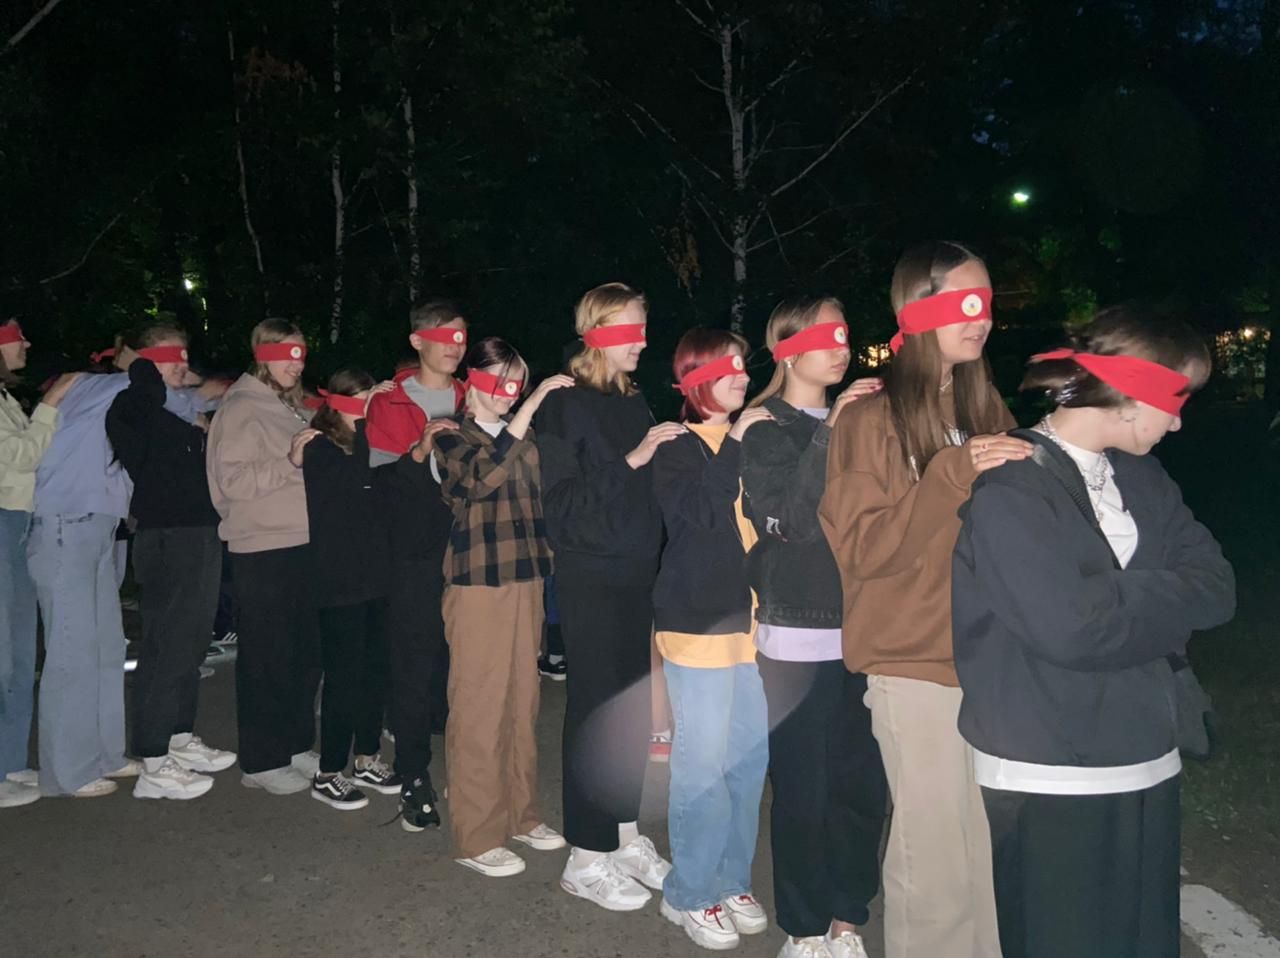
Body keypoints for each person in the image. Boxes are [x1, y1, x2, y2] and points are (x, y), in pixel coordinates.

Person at [953, 307, 1236, 958]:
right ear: (1131, 395)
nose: (1179, 422)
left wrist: (1109, 597)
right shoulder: (1012, 488)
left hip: (1148, 752)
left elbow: (1217, 587)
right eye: (1177, 401)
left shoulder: (1142, 476)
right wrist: (1157, 599)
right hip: (1051, 769)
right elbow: (1070, 630)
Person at [818, 241, 1031, 958]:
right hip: (912, 665)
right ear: (919, 310)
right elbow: (863, 550)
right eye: (966, 303)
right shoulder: (869, 420)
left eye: (988, 303)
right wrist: (949, 474)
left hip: (987, 663)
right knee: (933, 864)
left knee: (987, 857)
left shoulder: (981, 406)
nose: (983, 318)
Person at [740, 297, 886, 958]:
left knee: (861, 785)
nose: (840, 347)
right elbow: (792, 523)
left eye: (844, 334)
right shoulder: (764, 427)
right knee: (804, 789)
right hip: (798, 636)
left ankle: (847, 918)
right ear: (786, 348)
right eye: (825, 335)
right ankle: (802, 928)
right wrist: (833, 432)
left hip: (869, 630)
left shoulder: (864, 419)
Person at [536, 282, 678, 911]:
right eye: (629, 330)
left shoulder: (633, 399)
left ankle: (621, 833)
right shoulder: (566, 404)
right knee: (595, 710)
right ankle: (585, 855)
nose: (642, 341)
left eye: (643, 328)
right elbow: (561, 508)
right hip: (591, 573)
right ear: (596, 332)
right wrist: (634, 459)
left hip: (636, 570)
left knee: (631, 712)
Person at [651, 328, 774, 950]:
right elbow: (700, 516)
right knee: (701, 767)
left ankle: (730, 879)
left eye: (745, 367)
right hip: (698, 627)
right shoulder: (675, 446)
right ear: (698, 377)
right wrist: (738, 441)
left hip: (754, 628)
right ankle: (689, 893)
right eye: (731, 369)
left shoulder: (750, 440)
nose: (745, 378)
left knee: (748, 764)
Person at [433, 336, 571, 876]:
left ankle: (520, 813)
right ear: (474, 380)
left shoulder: (526, 436)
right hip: (478, 585)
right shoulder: (449, 435)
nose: (511, 393)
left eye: (519, 383)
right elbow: (479, 480)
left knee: (522, 699)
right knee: (478, 704)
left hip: (527, 578)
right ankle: (476, 834)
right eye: (502, 381)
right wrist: (529, 411)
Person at [106, 324, 237, 801]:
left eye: (184, 357)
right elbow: (145, 393)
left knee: (192, 641)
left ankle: (178, 737)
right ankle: (154, 760)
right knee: (168, 644)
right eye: (170, 358)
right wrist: (141, 365)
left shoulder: (180, 409)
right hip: (168, 536)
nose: (183, 366)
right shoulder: (133, 405)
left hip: (198, 531)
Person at [206, 318, 321, 795]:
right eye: (286, 356)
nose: (297, 365)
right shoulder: (240, 407)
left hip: (301, 543)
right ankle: (261, 759)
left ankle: (293, 744)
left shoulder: (286, 406)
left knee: (303, 653)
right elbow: (231, 483)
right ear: (262, 355)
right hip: (262, 548)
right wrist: (289, 462)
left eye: (301, 355)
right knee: (267, 656)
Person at [367, 299, 466, 831]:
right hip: (411, 553)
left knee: (455, 663)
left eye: (461, 337)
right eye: (444, 336)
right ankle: (413, 776)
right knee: (413, 661)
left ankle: (462, 767)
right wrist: (419, 451)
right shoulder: (390, 402)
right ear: (417, 341)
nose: (455, 347)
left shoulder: (472, 396)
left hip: (465, 548)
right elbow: (380, 488)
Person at [28, 344, 140, 797]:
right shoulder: (90, 387)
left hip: (96, 528)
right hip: (64, 528)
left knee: (106, 647)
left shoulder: (112, 404)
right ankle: (68, 771)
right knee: (72, 652)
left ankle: (105, 753)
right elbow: (162, 386)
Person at [301, 369, 398, 811]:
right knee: (343, 677)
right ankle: (328, 771)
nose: (368, 405)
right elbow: (350, 490)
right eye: (361, 398)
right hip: (339, 579)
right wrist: (363, 426)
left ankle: (366, 757)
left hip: (375, 576)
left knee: (374, 670)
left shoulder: (370, 442)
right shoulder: (320, 447)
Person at [0, 319, 81, 808]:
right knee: (5, 654)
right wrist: (51, 404)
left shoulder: (6, 398)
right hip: (3, 522)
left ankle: (10, 761)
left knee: (19, 653)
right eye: (16, 338)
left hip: (17, 522)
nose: (26, 343)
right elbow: (20, 457)